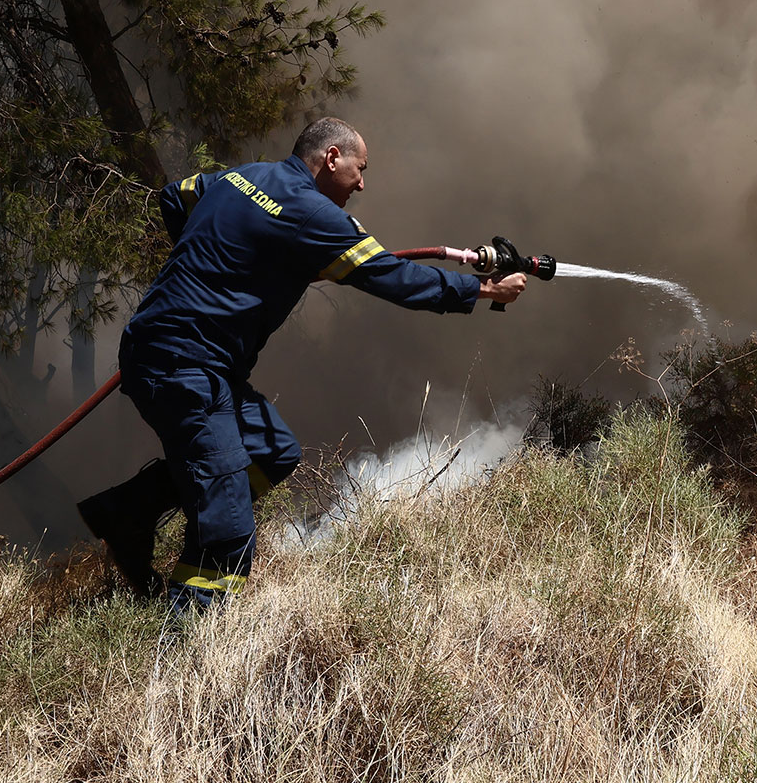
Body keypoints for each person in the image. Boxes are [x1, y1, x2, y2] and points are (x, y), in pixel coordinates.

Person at [77, 117, 526, 611]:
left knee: (273, 451)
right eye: (360, 169)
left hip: (181, 357)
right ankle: (185, 655)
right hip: (186, 365)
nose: (362, 183)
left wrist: (219, 259)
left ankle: (128, 512)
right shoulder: (316, 216)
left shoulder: (240, 177)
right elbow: (392, 277)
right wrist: (484, 288)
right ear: (332, 158)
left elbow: (175, 195)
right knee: (228, 530)